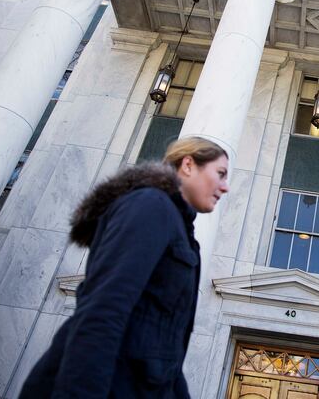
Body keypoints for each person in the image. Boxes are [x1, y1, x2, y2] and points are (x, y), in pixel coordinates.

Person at [19, 136, 229, 398]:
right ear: (188, 165)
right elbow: (104, 306)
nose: (225, 187)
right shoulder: (150, 206)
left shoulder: (183, 233)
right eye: (220, 174)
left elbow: (166, 347)